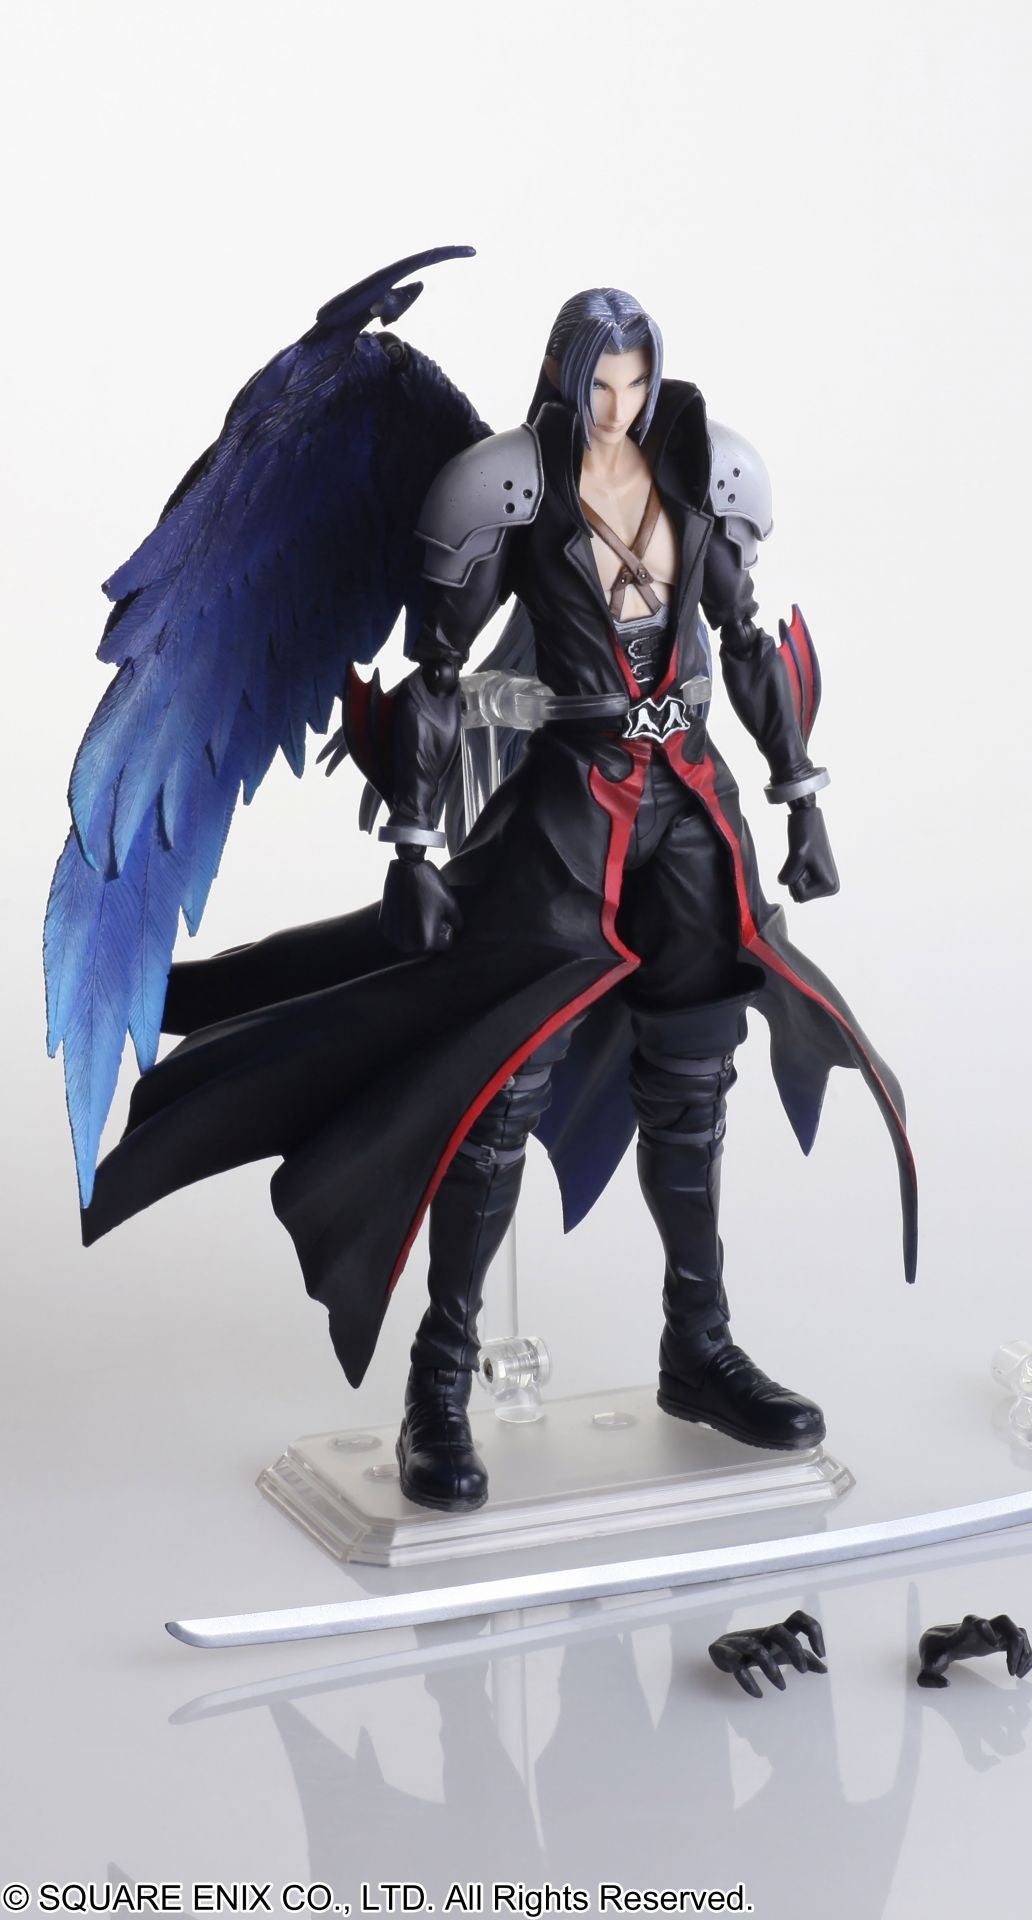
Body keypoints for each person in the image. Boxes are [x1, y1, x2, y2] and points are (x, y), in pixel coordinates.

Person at [63, 265, 914, 1514]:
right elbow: (440, 674)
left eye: (635, 382)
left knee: (693, 1074)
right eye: (598, 384)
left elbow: (743, 640)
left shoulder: (707, 472)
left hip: (694, 807)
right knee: (496, 1080)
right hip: (569, 811)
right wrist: (413, 849)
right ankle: (439, 1384)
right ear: (565, 379)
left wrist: (801, 798)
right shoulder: (505, 488)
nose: (617, 407)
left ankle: (699, 1346)